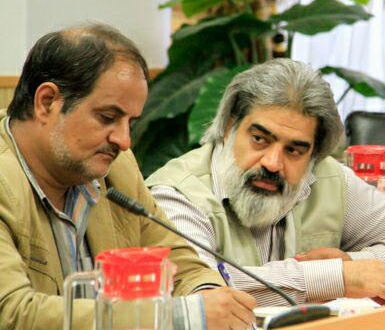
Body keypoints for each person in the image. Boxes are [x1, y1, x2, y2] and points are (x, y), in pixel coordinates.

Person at [0, 24, 255, 329]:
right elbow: (13, 313)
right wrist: (181, 316)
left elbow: (181, 266)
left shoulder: (116, 168)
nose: (124, 141)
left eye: (130, 123)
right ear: (47, 102)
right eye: (108, 117)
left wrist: (210, 300)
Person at [146, 58, 385, 306]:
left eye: (294, 150)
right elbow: (198, 291)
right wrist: (331, 278)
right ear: (228, 127)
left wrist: (353, 264)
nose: (273, 163)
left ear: (314, 154)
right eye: (259, 139)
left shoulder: (327, 177)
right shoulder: (176, 195)